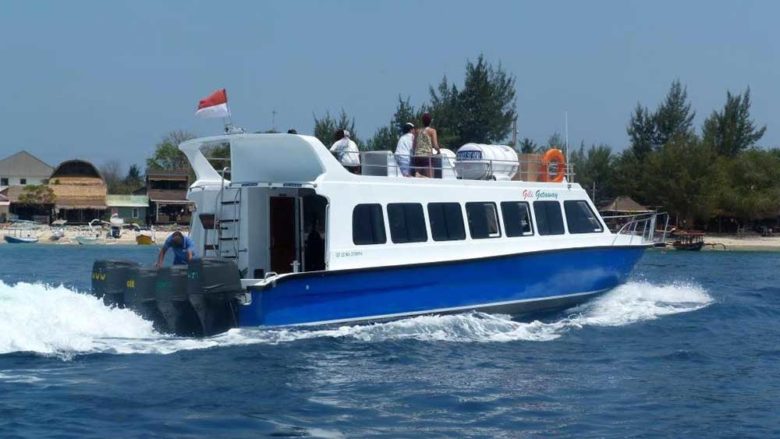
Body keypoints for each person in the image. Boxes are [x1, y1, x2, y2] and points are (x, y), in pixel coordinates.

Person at [413, 112, 440, 177]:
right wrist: (439, 151)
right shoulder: (432, 131)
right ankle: (421, 176)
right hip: (427, 157)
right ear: (430, 121)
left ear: (422, 121)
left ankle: (419, 175)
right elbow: (435, 145)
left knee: (417, 179)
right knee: (430, 178)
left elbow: (414, 145)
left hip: (417, 156)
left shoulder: (418, 131)